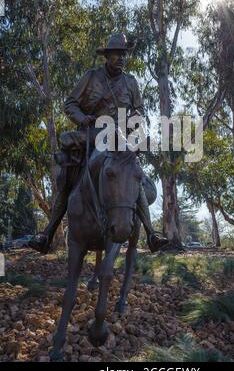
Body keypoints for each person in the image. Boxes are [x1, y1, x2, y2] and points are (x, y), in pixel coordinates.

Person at [29, 33, 169, 254]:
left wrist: (132, 123)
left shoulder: (131, 82)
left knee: (134, 176)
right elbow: (70, 104)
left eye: (124, 54)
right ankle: (48, 232)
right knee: (66, 177)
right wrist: (82, 119)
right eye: (117, 54)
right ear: (107, 56)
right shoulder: (91, 77)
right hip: (91, 136)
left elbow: (140, 111)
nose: (121, 58)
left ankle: (151, 233)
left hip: (119, 139)